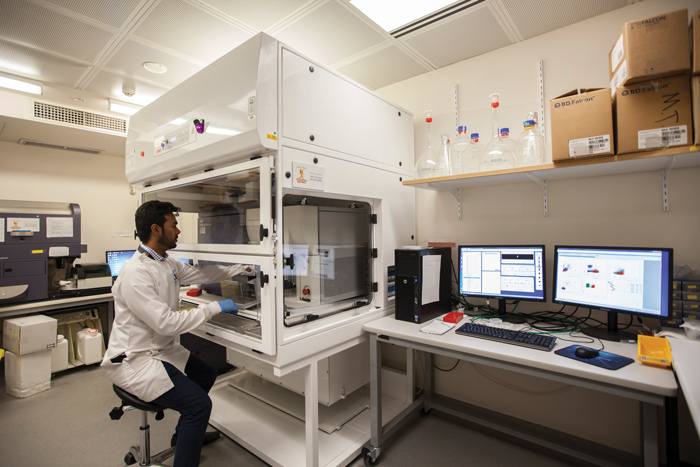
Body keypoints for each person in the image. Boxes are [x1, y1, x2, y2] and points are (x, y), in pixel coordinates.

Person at [101, 200, 252, 467]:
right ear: (156, 230)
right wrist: (214, 307)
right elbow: (167, 324)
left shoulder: (165, 262)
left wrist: (242, 268)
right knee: (199, 405)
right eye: (174, 225)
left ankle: (183, 437)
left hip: (161, 350)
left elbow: (201, 273)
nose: (179, 230)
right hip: (136, 360)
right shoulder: (136, 274)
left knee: (206, 374)